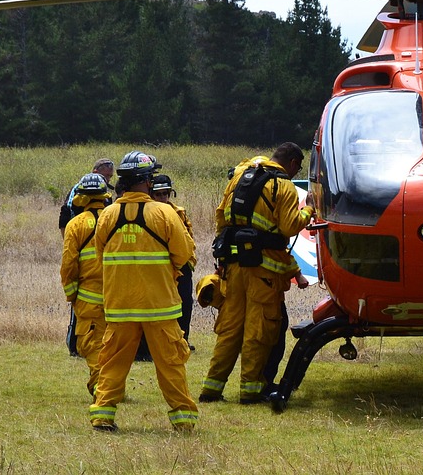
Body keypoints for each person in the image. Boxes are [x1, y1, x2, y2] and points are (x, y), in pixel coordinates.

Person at [87, 151, 199, 433]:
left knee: (112, 362)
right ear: (147, 181)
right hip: (159, 306)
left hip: (119, 306)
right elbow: (183, 254)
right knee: (171, 363)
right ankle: (183, 420)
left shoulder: (107, 215)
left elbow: (100, 255)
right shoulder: (164, 213)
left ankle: (102, 416)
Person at [200, 143, 314, 404]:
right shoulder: (282, 186)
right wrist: (308, 210)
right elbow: (289, 227)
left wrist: (223, 258)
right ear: (293, 163)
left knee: (230, 329)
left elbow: (221, 218)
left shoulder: (239, 176)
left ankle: (211, 389)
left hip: (233, 266)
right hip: (264, 272)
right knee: (258, 330)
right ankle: (251, 391)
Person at [59, 173, 111, 396]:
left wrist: (72, 295)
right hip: (119, 296)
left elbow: (68, 264)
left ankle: (102, 389)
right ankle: (113, 386)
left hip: (89, 299)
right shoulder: (115, 219)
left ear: (80, 197)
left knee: (92, 344)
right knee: (114, 344)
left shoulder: (76, 225)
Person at [151, 174, 197, 346]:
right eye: (159, 194)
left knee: (185, 302)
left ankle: (183, 340)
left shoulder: (179, 213)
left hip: (182, 265)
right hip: (160, 267)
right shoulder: (150, 214)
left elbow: (189, 238)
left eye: (166, 193)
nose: (163, 197)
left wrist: (189, 261)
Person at [59, 158, 116, 235]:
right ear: (95, 172)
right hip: (79, 235)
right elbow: (64, 216)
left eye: (110, 176)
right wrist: (67, 238)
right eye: (106, 175)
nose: (108, 179)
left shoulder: (107, 195)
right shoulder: (78, 190)